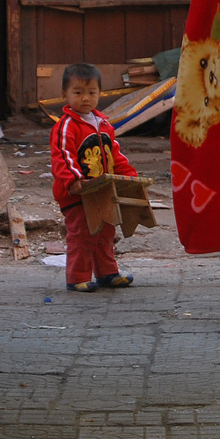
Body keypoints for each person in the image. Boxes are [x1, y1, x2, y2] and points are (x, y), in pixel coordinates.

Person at [50, 63, 138, 292]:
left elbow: (114, 154)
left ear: (100, 94)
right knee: (83, 234)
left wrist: (129, 177)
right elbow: (63, 155)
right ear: (64, 95)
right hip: (77, 193)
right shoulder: (65, 126)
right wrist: (74, 180)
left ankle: (107, 273)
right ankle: (77, 276)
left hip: (103, 191)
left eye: (91, 93)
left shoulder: (104, 124)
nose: (85, 98)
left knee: (106, 232)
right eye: (78, 93)